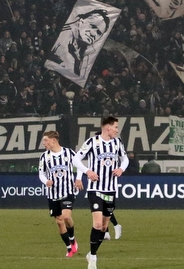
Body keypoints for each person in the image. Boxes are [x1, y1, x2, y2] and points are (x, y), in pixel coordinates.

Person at [73, 115, 129, 269]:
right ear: (107, 127)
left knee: (104, 228)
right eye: (116, 127)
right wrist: (87, 171)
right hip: (95, 189)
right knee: (97, 224)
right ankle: (93, 259)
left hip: (110, 189)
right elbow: (76, 159)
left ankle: (91, 254)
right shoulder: (92, 142)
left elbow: (125, 159)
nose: (117, 130)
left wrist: (121, 168)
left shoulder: (118, 143)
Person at [38, 130, 83, 258]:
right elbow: (41, 173)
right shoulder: (44, 157)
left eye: (46, 140)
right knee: (59, 222)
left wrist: (78, 178)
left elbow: (79, 165)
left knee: (66, 216)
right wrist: (46, 181)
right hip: (53, 194)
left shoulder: (68, 153)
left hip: (68, 190)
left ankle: (73, 238)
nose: (44, 143)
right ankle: (69, 247)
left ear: (53, 140)